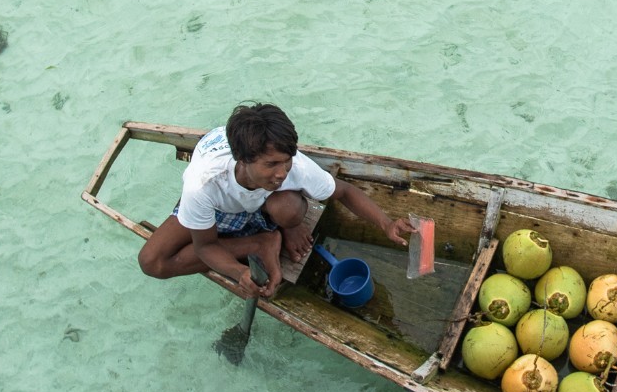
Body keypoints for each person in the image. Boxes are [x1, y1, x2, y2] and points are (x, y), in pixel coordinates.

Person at [136, 103, 413, 299]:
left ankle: (282, 228)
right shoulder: (203, 184)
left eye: (286, 161)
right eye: (271, 164)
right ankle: (262, 241)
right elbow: (206, 246)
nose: (281, 173)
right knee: (152, 262)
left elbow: (343, 192)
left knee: (289, 209)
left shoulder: (295, 168)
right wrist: (239, 272)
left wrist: (385, 223)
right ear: (243, 160)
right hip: (223, 206)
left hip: (267, 203)